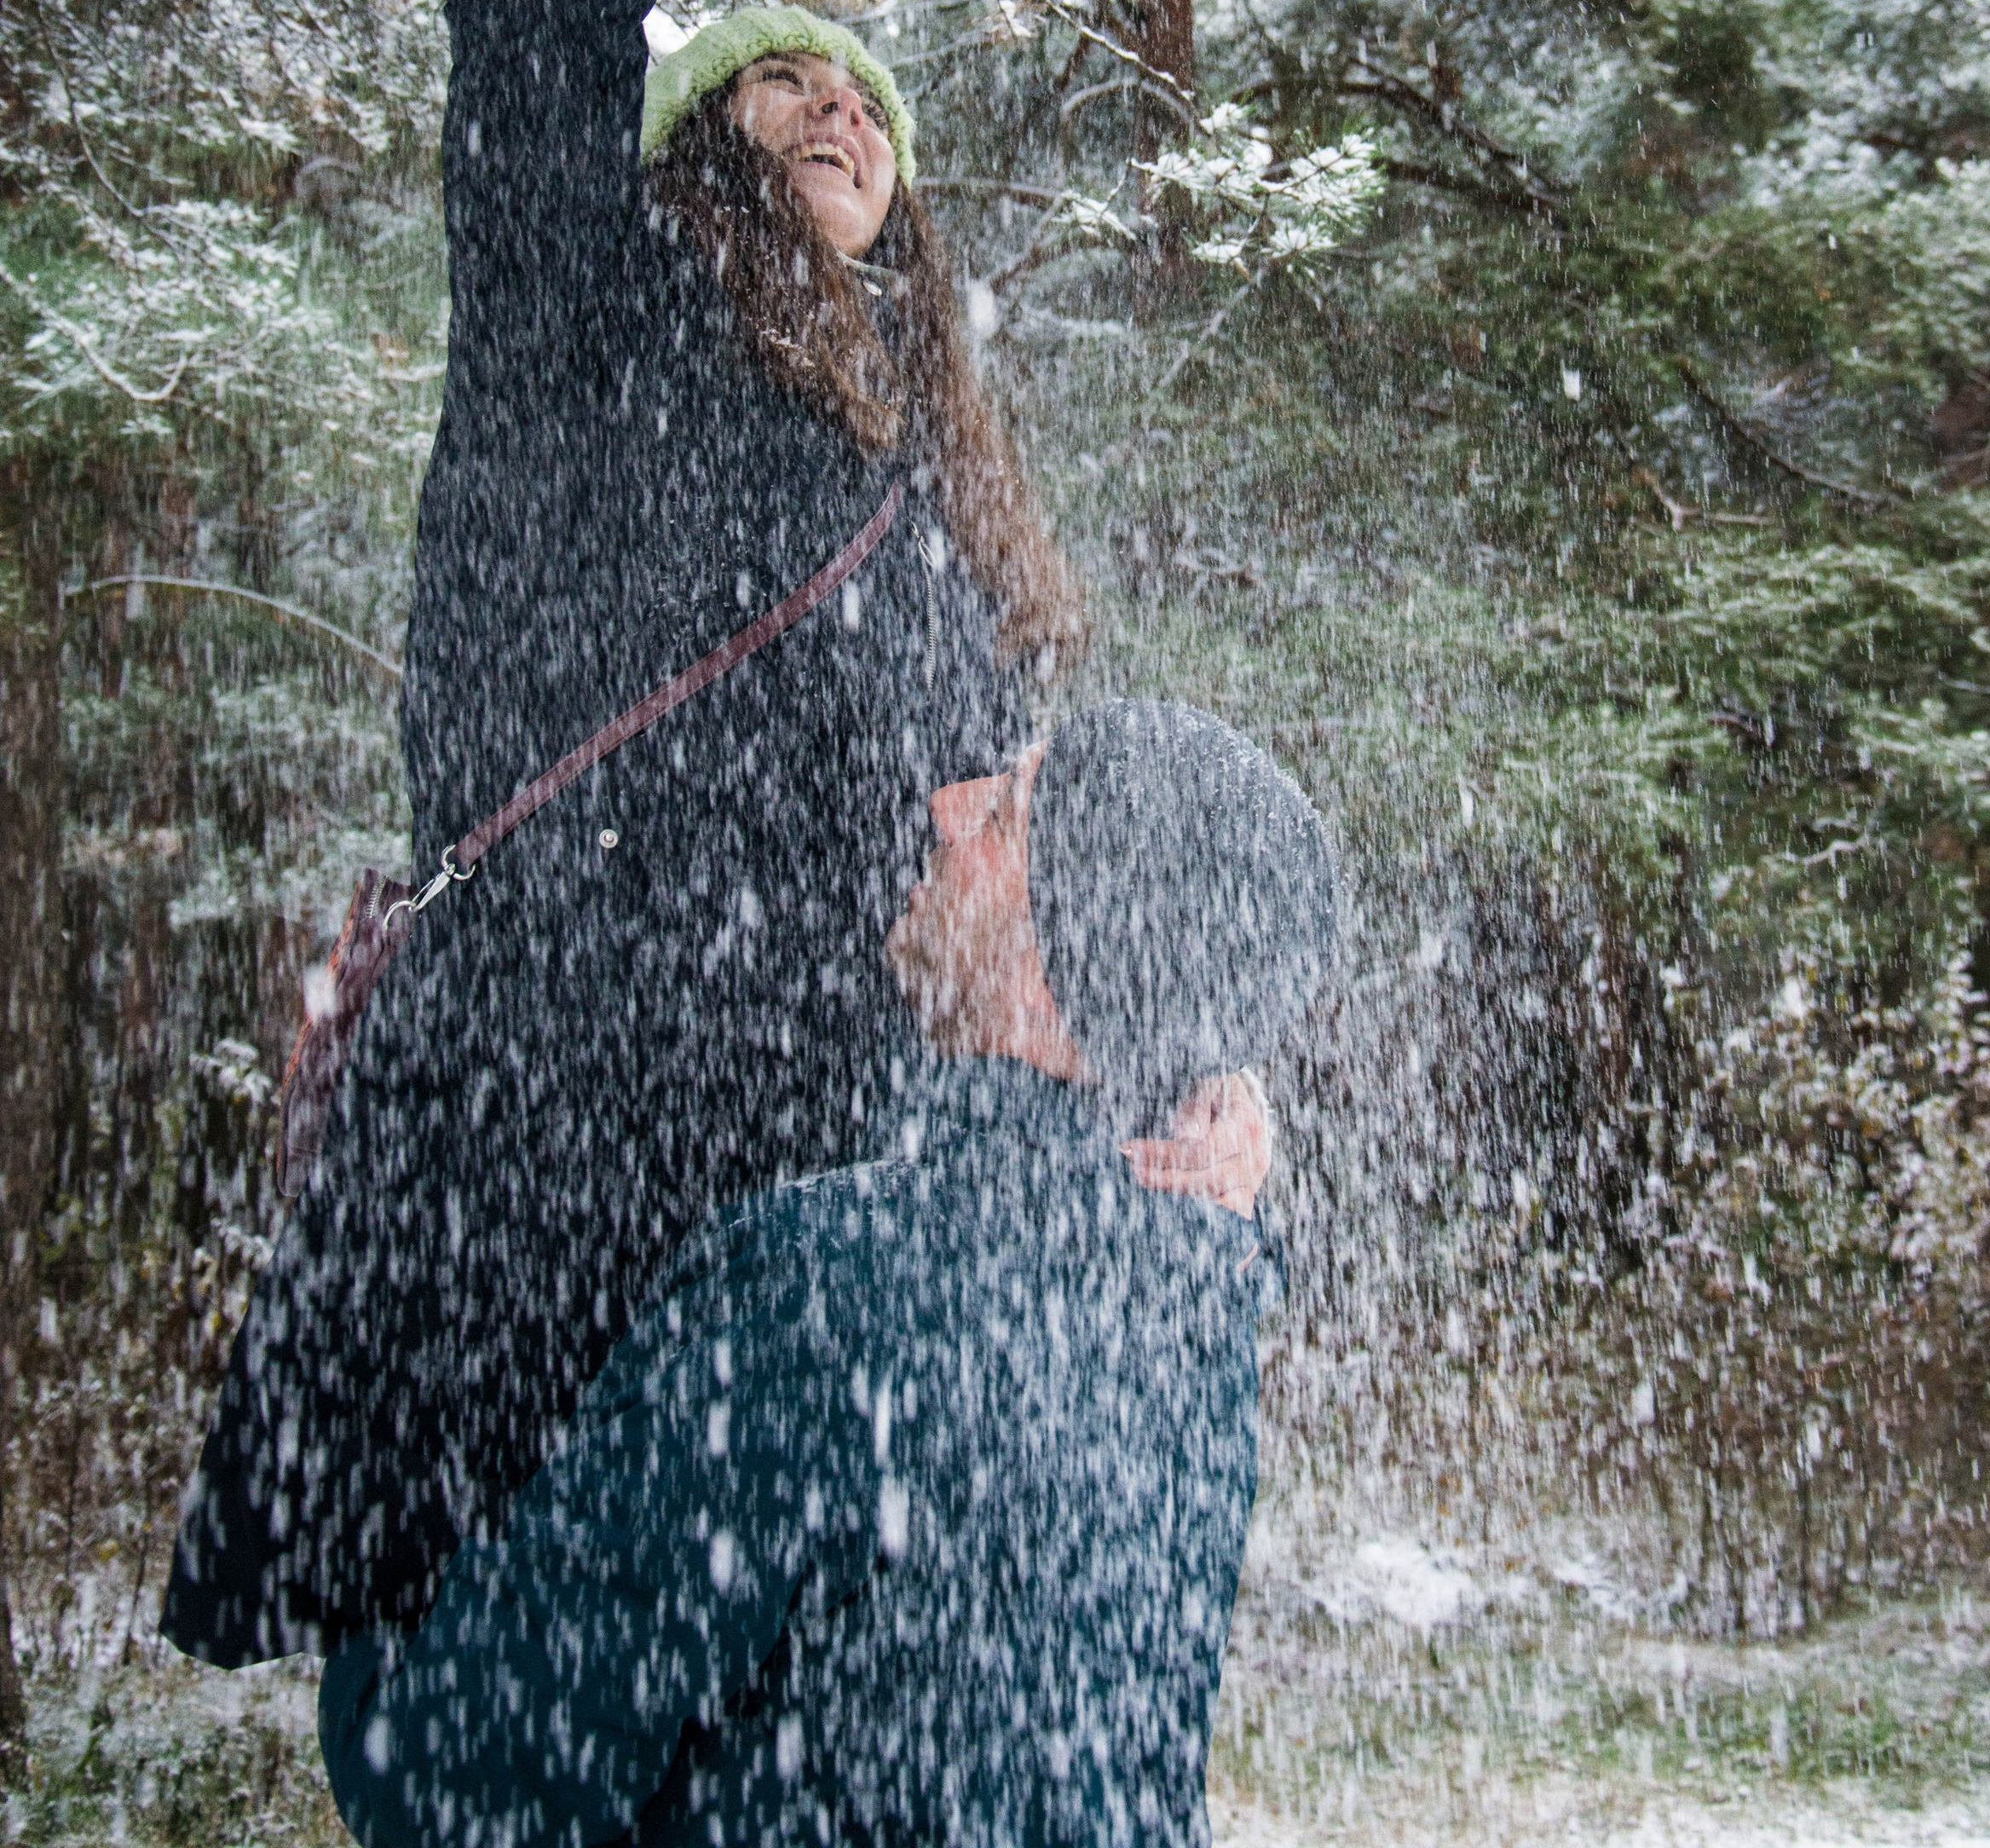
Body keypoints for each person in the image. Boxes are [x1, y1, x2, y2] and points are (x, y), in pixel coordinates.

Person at [164, 0, 1084, 1667]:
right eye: (774, 76)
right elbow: (531, 2)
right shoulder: (589, 304)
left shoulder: (929, 506)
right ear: (683, 153)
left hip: (810, 1140)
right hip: (535, 1108)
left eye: (862, 93)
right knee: (517, 1696)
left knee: (780, 1709)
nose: (832, 100)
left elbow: (1002, 866)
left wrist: (1159, 1078)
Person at [317, 702, 1339, 1848]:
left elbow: (454, 1788)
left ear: (1056, 978)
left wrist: (375, 1614)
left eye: (1001, 812)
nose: (948, 808)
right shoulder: (1200, 1285)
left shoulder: (822, 1298)